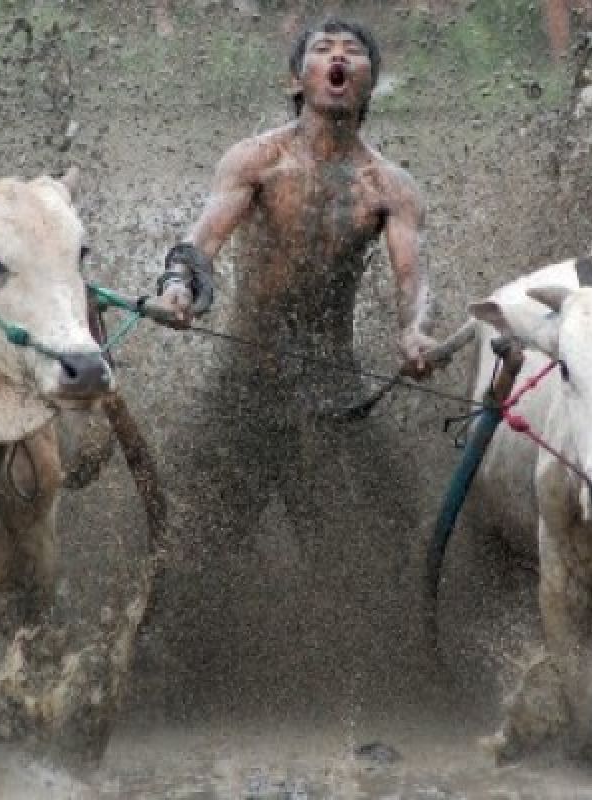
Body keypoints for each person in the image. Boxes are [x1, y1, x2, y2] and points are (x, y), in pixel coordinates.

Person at [137, 17, 444, 716]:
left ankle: (364, 700)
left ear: (369, 80)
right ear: (296, 78)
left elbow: (411, 282)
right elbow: (201, 239)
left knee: (372, 539)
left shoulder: (389, 185)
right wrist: (183, 288)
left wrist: (415, 334)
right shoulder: (257, 160)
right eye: (321, 51)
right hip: (245, 381)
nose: (338, 58)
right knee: (185, 542)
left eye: (354, 52)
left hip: (334, 388)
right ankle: (163, 691)